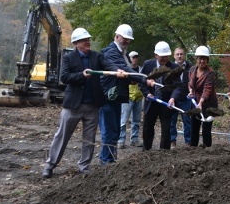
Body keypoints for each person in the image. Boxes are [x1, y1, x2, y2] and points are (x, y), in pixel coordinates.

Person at [42, 28, 125, 178]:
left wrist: (117, 71)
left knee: (89, 139)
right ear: (75, 43)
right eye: (83, 40)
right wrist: (81, 75)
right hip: (72, 106)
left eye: (88, 39)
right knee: (61, 136)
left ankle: (84, 167)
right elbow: (65, 77)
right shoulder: (69, 58)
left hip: (92, 106)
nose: (87, 42)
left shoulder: (97, 56)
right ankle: (50, 165)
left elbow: (108, 65)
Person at [99, 24, 155, 165]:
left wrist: (132, 80)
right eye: (125, 38)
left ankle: (109, 160)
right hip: (107, 97)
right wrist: (144, 78)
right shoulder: (112, 52)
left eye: (129, 39)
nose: (127, 41)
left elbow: (124, 75)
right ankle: (106, 162)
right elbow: (123, 69)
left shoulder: (121, 53)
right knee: (110, 131)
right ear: (117, 36)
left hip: (115, 97)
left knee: (115, 130)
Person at [140, 41, 182, 150]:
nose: (164, 59)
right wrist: (147, 93)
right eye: (162, 57)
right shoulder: (147, 65)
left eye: (166, 56)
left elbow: (177, 86)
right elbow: (142, 82)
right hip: (151, 102)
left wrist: (173, 98)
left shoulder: (174, 67)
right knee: (147, 128)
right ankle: (146, 151)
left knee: (166, 129)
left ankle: (163, 153)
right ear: (155, 55)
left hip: (166, 103)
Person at [187, 46, 218, 147]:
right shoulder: (192, 69)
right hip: (195, 103)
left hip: (208, 104)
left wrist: (201, 102)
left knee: (206, 129)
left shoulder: (210, 73)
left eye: (204, 58)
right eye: (200, 58)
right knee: (194, 128)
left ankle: (207, 151)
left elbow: (207, 89)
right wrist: (191, 91)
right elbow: (190, 84)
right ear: (196, 59)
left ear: (207, 60)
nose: (202, 61)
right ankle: (193, 150)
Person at [117, 51, 144, 149]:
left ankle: (134, 139)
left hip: (138, 97)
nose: (135, 59)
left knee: (136, 121)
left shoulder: (141, 69)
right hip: (127, 97)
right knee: (123, 120)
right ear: (129, 58)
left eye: (136, 57)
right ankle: (121, 140)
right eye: (133, 57)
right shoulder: (125, 70)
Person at [170, 47, 192, 148]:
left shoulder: (190, 67)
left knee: (187, 120)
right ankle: (172, 141)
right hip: (173, 98)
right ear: (174, 56)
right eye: (177, 54)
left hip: (186, 98)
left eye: (181, 54)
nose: (179, 56)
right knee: (172, 120)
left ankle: (188, 141)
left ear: (184, 55)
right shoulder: (170, 67)